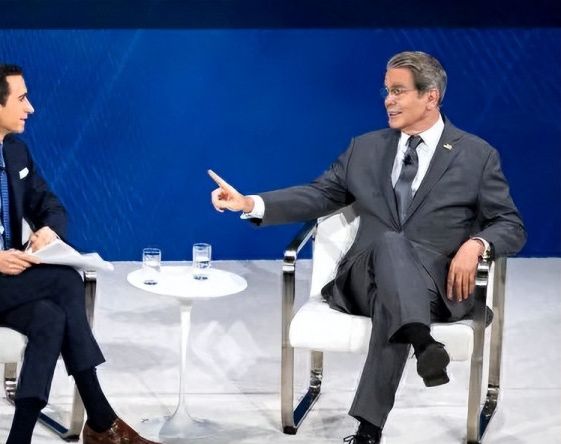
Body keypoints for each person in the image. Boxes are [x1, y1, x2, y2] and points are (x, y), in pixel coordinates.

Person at [209, 51, 526, 444]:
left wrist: (478, 243)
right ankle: (422, 343)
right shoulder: (365, 148)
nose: (387, 100)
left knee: (395, 301)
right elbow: (319, 195)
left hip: (435, 287)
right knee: (390, 243)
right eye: (386, 90)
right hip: (363, 278)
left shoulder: (476, 156)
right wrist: (250, 203)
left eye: (398, 91)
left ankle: (369, 430)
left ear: (431, 96)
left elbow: (511, 224)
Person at [0, 63, 160, 444]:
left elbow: (51, 206)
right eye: (22, 98)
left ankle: (21, 438)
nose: (31, 108)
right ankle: (102, 421)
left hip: (3, 284)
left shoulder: (15, 151)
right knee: (64, 281)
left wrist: (48, 230)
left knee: (49, 317)